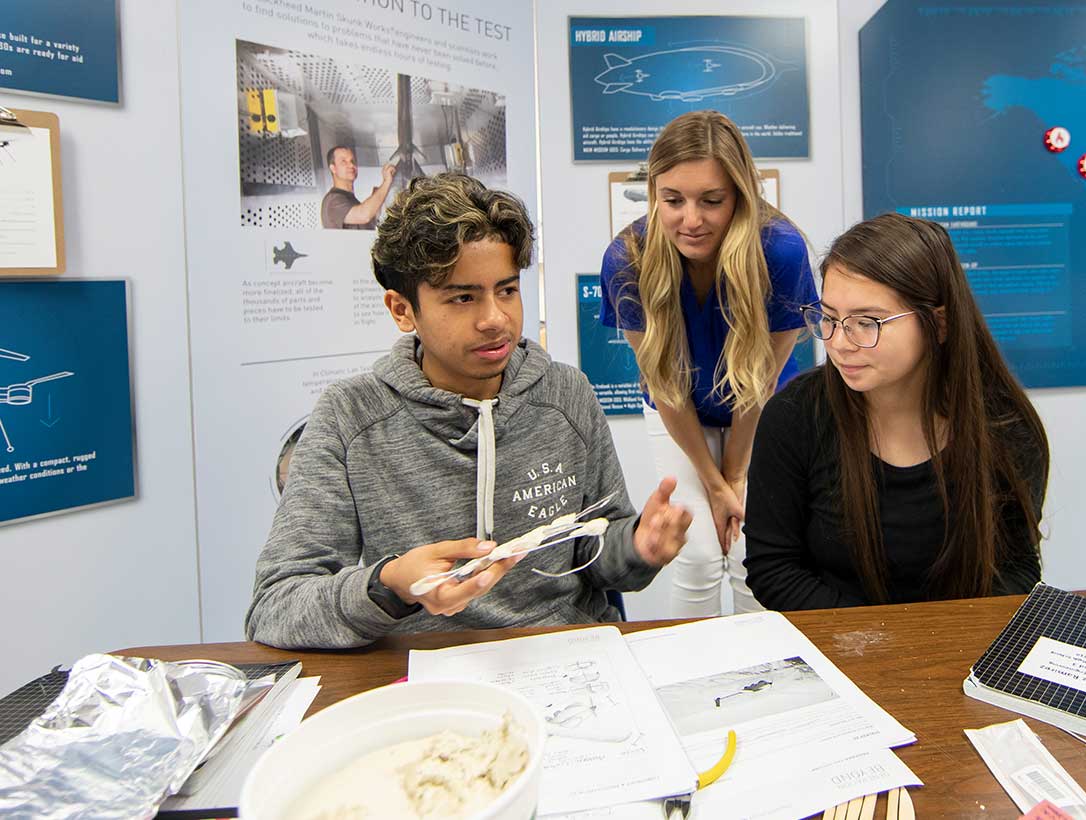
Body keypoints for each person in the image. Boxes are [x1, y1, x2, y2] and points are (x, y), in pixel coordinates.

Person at [248, 173, 692, 649]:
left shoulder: (566, 394)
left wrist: (640, 546)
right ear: (402, 310)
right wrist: (389, 585)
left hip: (564, 659)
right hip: (422, 675)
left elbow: (596, 546)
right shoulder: (350, 418)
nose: (495, 319)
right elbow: (276, 607)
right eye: (462, 297)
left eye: (507, 290)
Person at [743, 214, 1048, 609]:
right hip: (838, 649)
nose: (839, 343)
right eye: (830, 318)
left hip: (960, 649)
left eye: (867, 322)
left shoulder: (1006, 425)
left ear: (938, 324)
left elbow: (1017, 568)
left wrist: (941, 642)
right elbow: (773, 569)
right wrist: (877, 640)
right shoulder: (794, 415)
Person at [599, 110, 818, 617]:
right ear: (654, 191)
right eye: (672, 200)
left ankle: (764, 674)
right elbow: (665, 385)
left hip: (763, 409)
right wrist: (714, 485)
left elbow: (762, 381)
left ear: (740, 194)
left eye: (711, 201)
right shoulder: (626, 258)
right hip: (679, 410)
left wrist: (736, 476)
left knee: (753, 554)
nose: (690, 220)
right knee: (696, 553)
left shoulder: (779, 251)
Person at [320, 145, 396, 230]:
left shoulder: (350, 199)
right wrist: (386, 182)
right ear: (333, 168)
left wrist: (378, 194)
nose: (351, 165)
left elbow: (369, 221)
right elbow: (364, 216)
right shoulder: (333, 201)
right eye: (344, 161)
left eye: (352, 161)